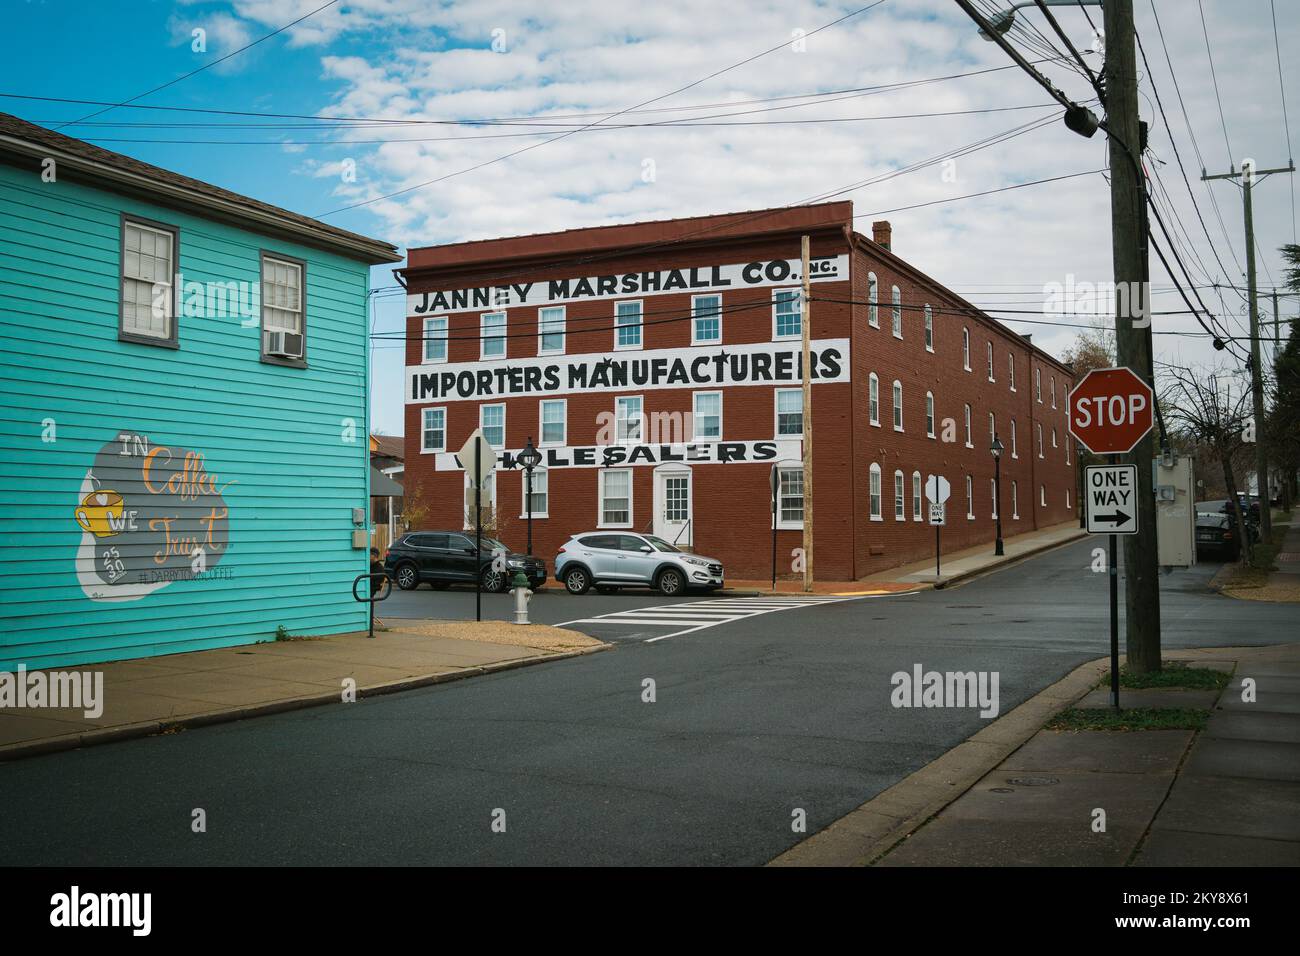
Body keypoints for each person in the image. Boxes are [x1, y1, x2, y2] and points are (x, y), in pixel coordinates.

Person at [368, 547, 387, 634]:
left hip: (372, 588)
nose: (367, 556)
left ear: (373, 556)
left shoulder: (379, 568)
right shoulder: (369, 565)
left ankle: (369, 617)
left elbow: (378, 581)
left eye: (369, 555)